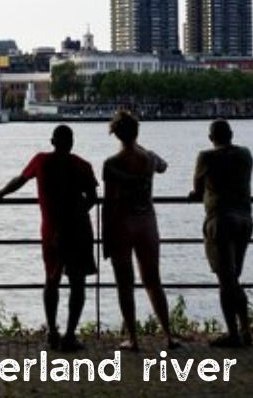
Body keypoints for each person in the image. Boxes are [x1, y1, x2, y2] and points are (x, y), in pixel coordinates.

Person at [0, 125, 98, 351]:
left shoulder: (41, 161)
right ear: (72, 142)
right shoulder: (82, 166)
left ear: (53, 141)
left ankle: (52, 332)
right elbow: (92, 198)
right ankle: (70, 335)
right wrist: (74, 215)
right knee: (77, 283)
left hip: (51, 231)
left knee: (51, 280)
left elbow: (20, 180)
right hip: (78, 230)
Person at [102, 110, 179, 351]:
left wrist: (105, 238)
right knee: (153, 280)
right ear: (137, 132)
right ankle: (168, 335)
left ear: (116, 135)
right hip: (147, 222)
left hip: (121, 223)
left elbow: (108, 202)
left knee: (124, 283)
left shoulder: (111, 164)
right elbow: (164, 167)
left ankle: (133, 339)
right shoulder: (150, 158)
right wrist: (143, 148)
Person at [189, 118, 253, 348]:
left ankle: (234, 333)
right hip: (245, 219)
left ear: (211, 138)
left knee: (226, 280)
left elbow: (197, 191)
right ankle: (246, 329)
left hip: (221, 220)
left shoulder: (206, 157)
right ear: (231, 134)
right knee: (234, 277)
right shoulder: (245, 155)